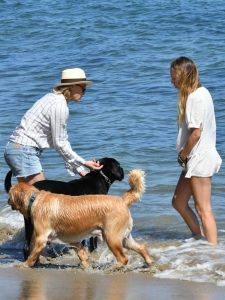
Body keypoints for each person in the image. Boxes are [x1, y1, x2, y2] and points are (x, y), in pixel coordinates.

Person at [4, 67, 103, 185]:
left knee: (26, 200)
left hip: (16, 149)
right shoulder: (59, 106)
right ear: (72, 87)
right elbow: (60, 144)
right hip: (24, 151)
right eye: (83, 88)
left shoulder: (51, 98)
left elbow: (60, 144)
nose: (84, 92)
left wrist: (80, 168)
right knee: (41, 198)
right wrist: (83, 164)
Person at [170, 56, 222, 245]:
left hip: (199, 159)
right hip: (194, 159)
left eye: (173, 76)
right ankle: (199, 238)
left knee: (203, 208)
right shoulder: (203, 92)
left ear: (183, 76)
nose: (171, 81)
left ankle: (213, 252)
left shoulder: (194, 97)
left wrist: (183, 154)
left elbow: (196, 134)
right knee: (178, 201)